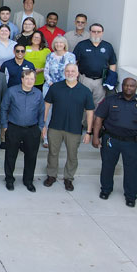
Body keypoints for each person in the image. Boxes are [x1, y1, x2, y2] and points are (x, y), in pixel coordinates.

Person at [93, 77, 137, 208]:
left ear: (136, 87)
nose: (128, 88)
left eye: (132, 86)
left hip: (132, 143)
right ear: (122, 86)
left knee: (133, 170)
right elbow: (99, 118)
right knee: (107, 166)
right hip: (111, 140)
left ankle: (131, 196)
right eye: (126, 85)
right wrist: (95, 136)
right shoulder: (111, 100)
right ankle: (105, 190)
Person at [41, 63, 94, 191]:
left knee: (72, 155)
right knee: (53, 153)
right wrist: (43, 125)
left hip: (74, 129)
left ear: (77, 73)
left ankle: (68, 178)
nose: (70, 73)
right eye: (68, 71)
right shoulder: (55, 88)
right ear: (64, 73)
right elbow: (46, 106)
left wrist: (88, 132)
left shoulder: (85, 91)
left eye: (73, 71)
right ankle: (51, 175)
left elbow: (90, 112)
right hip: (55, 127)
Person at [1, 69, 44, 192]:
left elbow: (41, 111)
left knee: (31, 156)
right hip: (14, 127)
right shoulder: (12, 91)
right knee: (10, 155)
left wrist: (40, 127)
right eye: (27, 78)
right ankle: (9, 179)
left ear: (35, 80)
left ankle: (28, 181)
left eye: (32, 79)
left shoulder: (38, 93)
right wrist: (5, 125)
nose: (29, 81)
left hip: (32, 129)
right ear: (22, 79)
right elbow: (4, 108)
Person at [73, 23, 117, 106]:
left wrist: (110, 78)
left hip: (100, 81)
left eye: (98, 32)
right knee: (82, 102)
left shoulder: (108, 46)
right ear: (90, 32)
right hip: (84, 79)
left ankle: (94, 119)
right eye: (93, 31)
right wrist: (77, 75)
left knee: (98, 104)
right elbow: (74, 61)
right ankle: (83, 120)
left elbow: (112, 63)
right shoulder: (81, 45)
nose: (96, 34)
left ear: (102, 33)